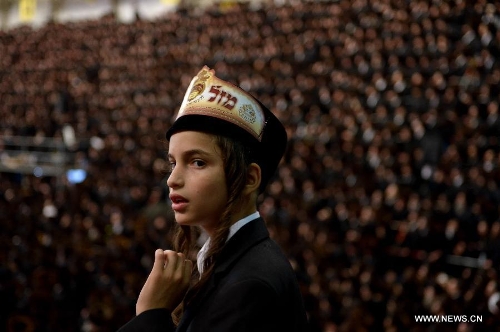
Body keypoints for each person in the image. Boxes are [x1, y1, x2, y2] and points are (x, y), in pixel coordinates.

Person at [117, 65, 310, 332]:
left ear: (249, 179)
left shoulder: (249, 285)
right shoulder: (235, 264)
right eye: (173, 163)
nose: (172, 179)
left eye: (197, 162)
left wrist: (150, 314)